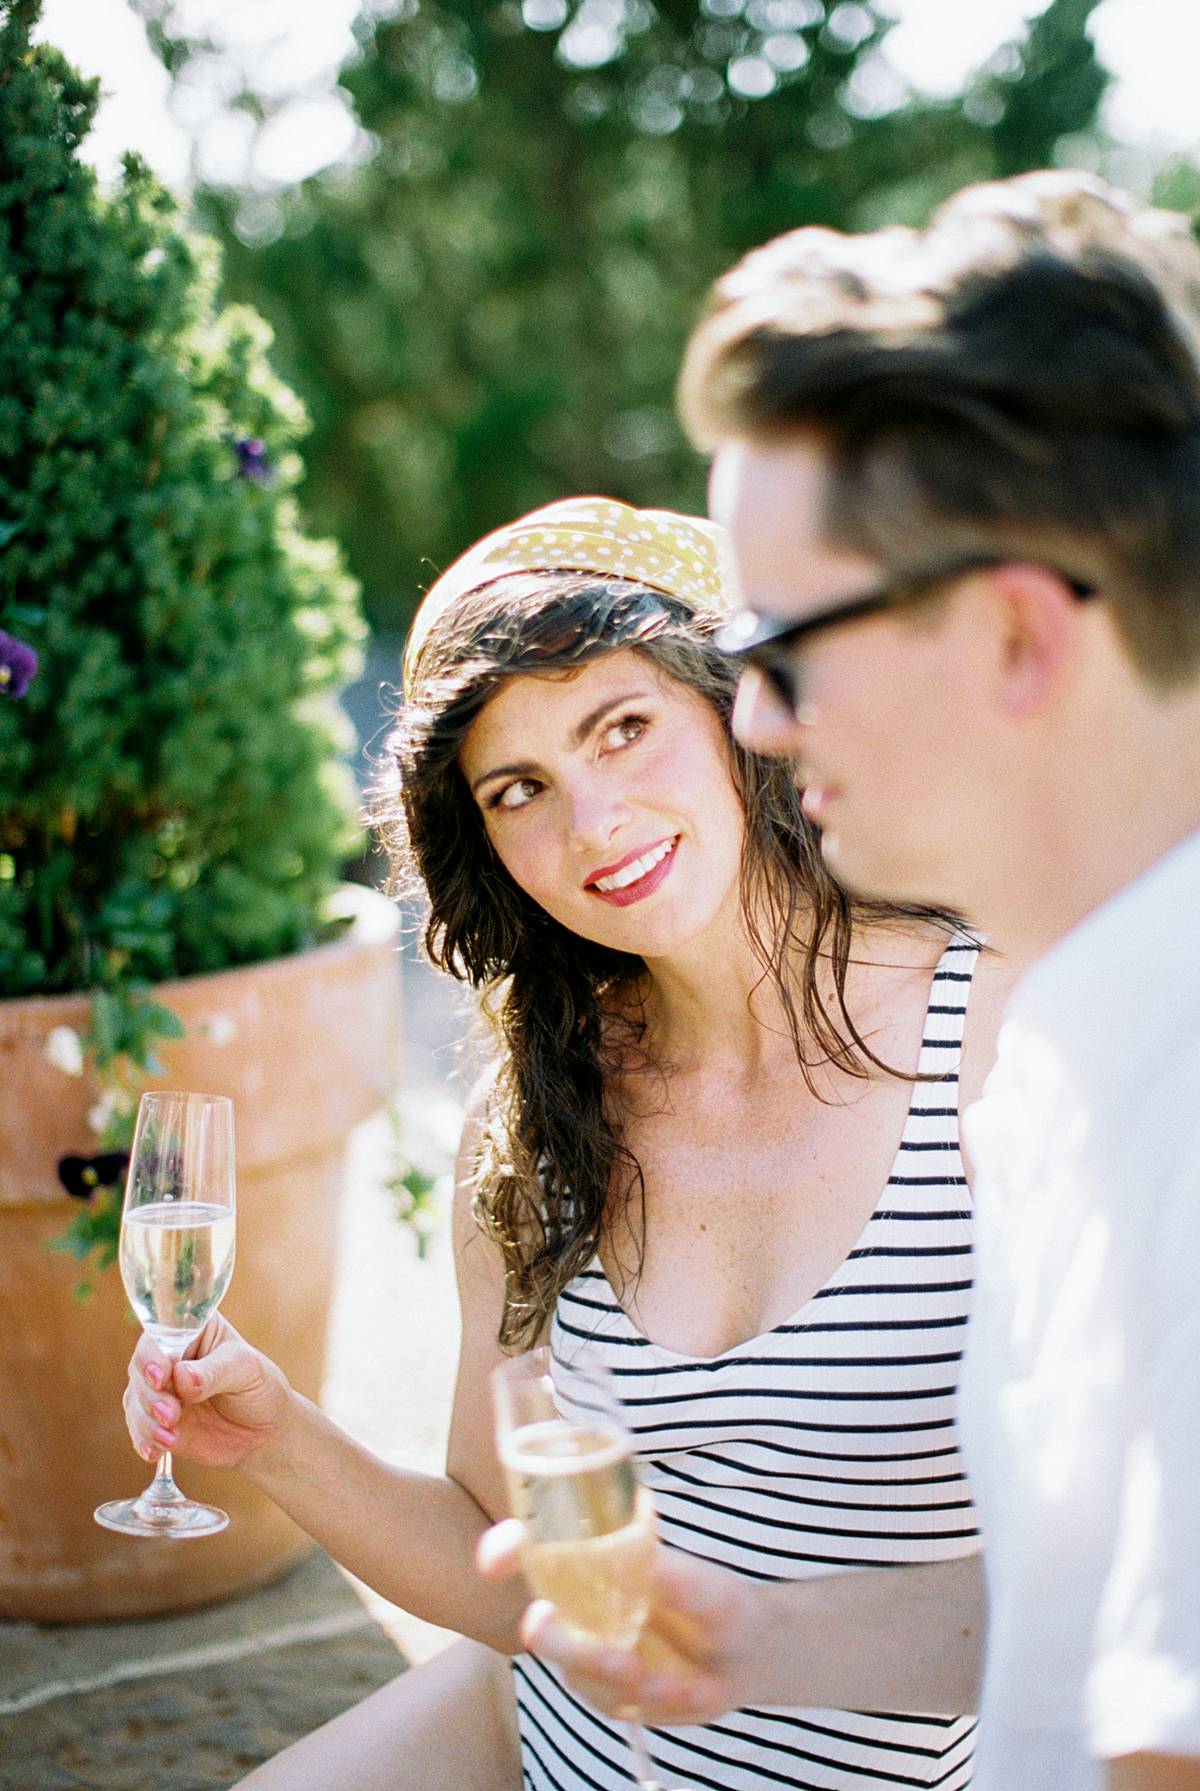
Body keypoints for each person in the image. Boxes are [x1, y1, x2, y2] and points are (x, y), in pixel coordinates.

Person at [122, 495, 1012, 1791]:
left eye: (625, 727)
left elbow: (1120, 1591)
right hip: (559, 1747)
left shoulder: (994, 1035)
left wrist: (747, 1647)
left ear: (738, 712)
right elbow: (506, 1557)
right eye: (518, 787)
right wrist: (278, 1441)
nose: (590, 823)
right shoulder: (538, 1117)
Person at [490, 174, 1200, 1791]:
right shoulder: (1074, 1056)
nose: (751, 723)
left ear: (1018, 638)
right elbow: (1069, 1627)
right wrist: (744, 1641)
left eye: (784, 648)